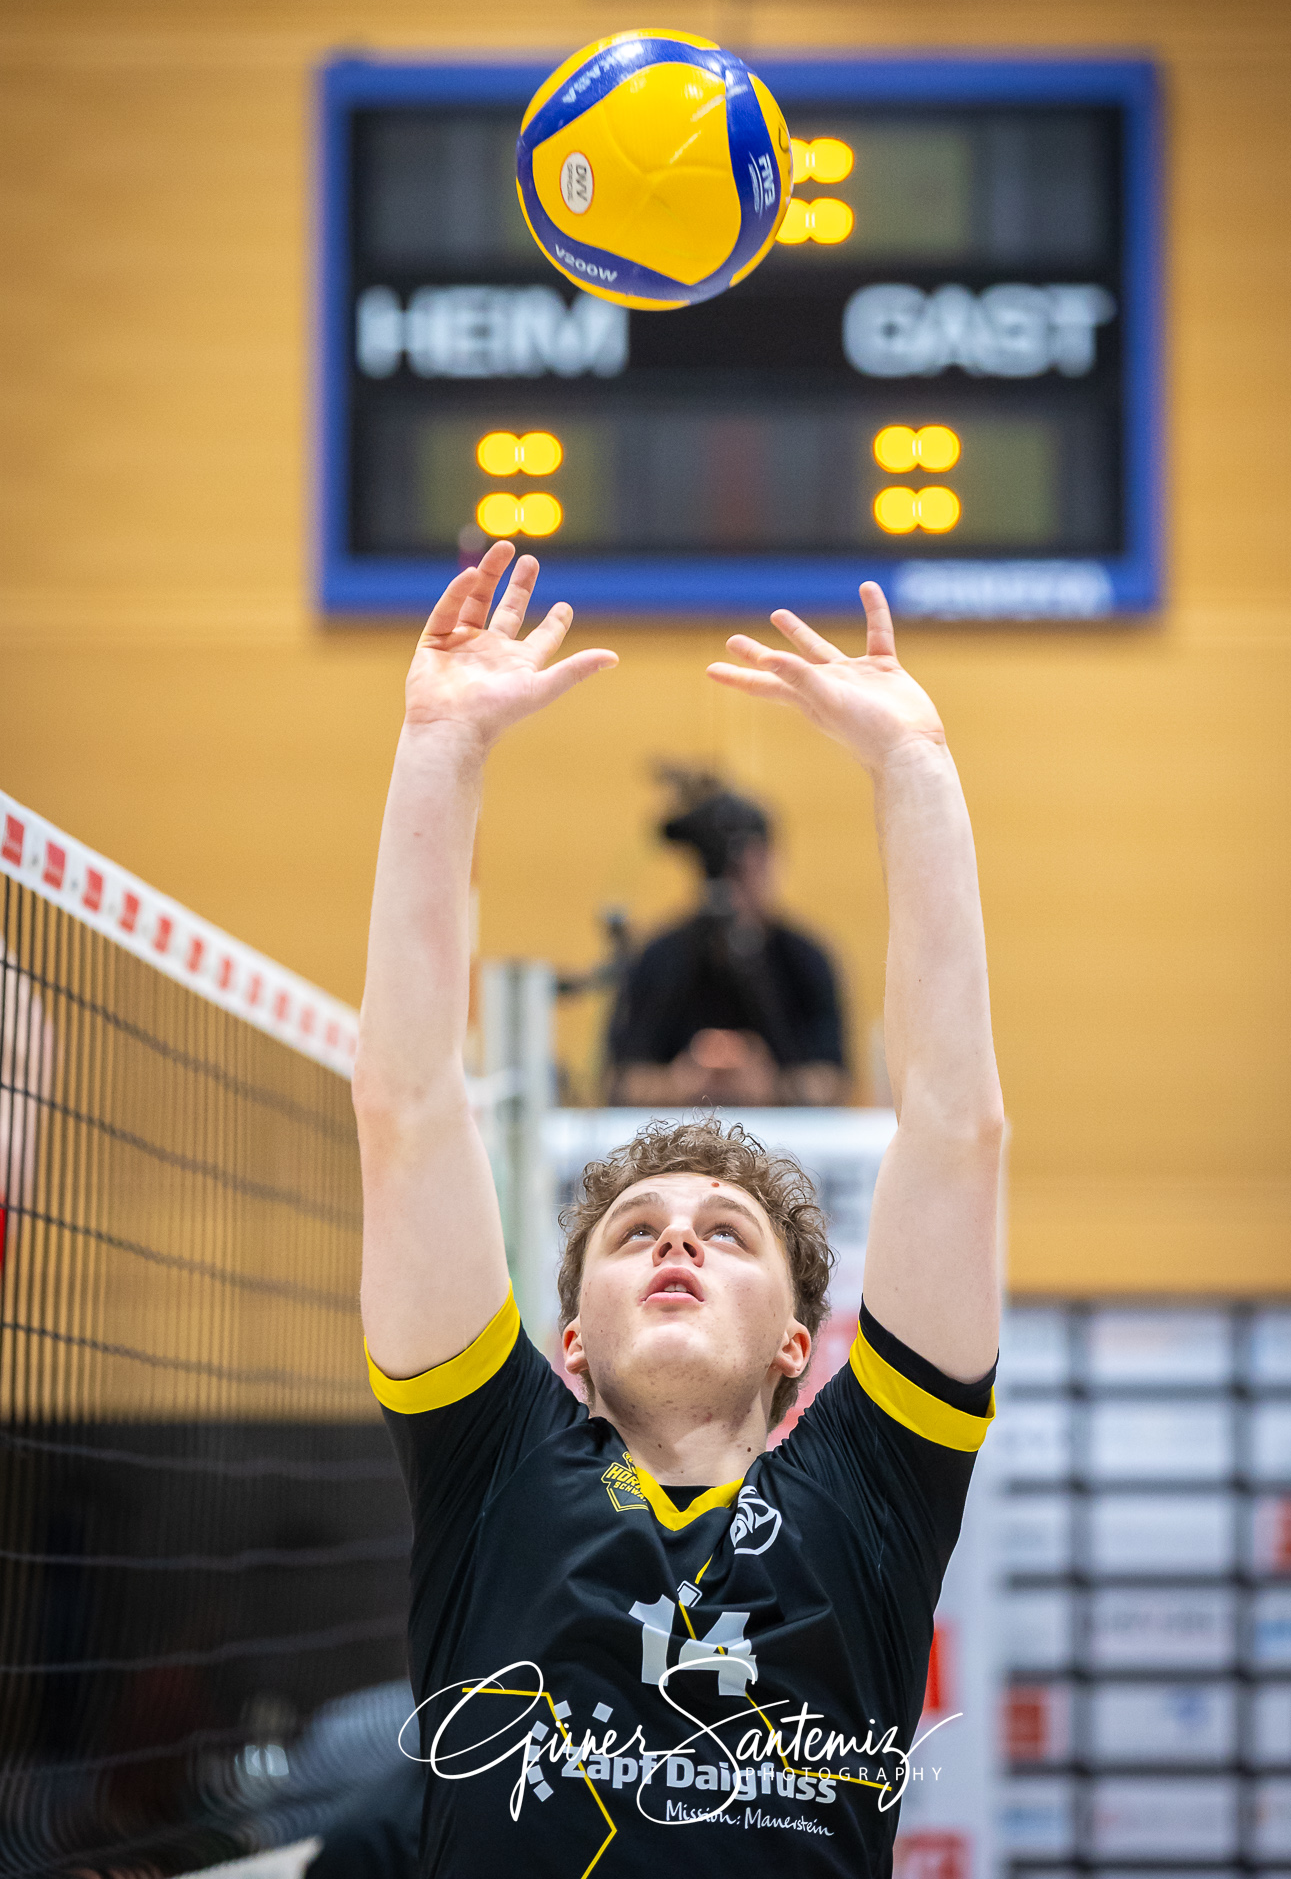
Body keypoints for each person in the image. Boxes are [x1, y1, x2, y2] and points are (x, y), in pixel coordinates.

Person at [353, 540, 1003, 1877]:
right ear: (569, 1339)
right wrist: (438, 748)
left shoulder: (872, 1499)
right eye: (635, 1232)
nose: (676, 1243)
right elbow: (411, 1109)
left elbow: (956, 1133)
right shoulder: (495, 1471)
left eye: (727, 1233)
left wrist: (915, 772)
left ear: (794, 1349)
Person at [606, 775, 848, 1108]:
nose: (743, 878)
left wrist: (770, 1084)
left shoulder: (803, 957)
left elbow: (836, 1082)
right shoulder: (663, 956)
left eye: (753, 862)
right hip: (675, 1144)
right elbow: (616, 1082)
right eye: (733, 868)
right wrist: (680, 1083)